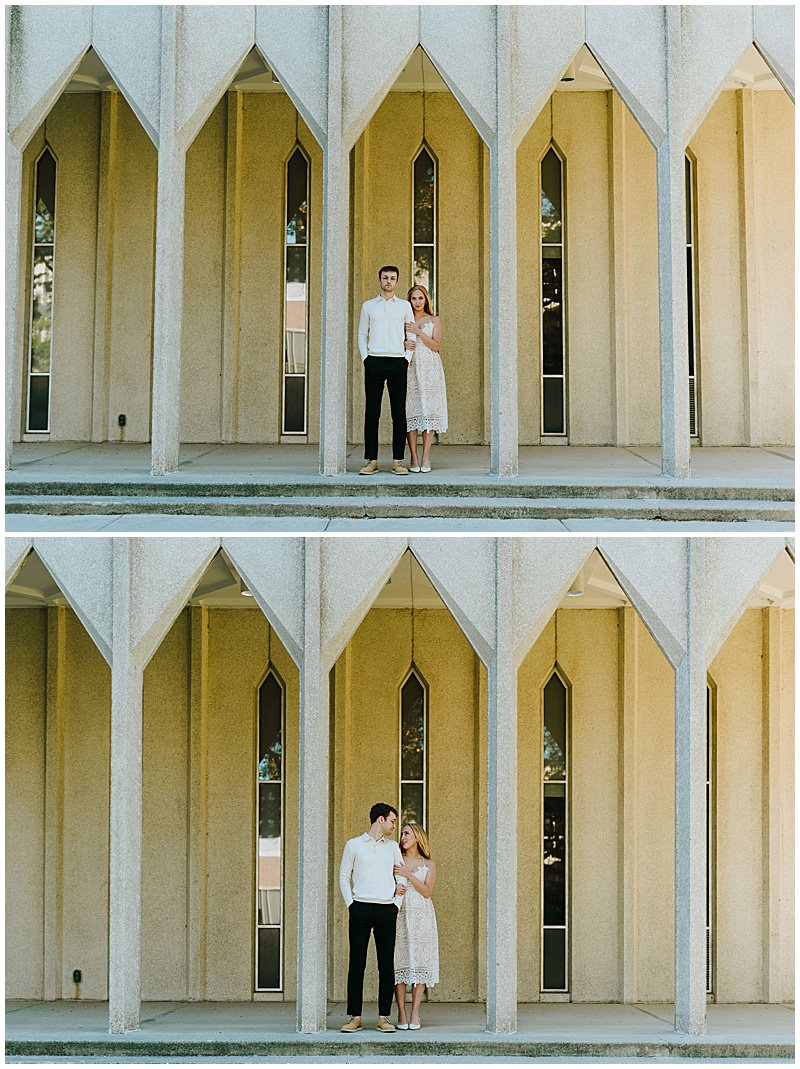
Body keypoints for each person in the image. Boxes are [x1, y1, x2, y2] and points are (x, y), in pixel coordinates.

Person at [338, 802, 406, 1033]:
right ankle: (354, 1017)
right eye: (392, 821)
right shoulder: (353, 845)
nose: (394, 826)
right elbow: (344, 877)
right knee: (357, 964)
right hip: (360, 909)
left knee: (386, 966)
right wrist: (352, 905)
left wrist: (395, 905)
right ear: (380, 819)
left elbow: (402, 878)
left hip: (387, 910)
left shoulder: (393, 847)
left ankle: (383, 1018)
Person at [357, 267, 415, 476]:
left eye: (392, 278)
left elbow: (411, 332)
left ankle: (398, 461)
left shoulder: (404, 306)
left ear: (397, 281)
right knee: (372, 413)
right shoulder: (368, 306)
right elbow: (362, 334)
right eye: (385, 278)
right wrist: (366, 359)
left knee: (399, 413)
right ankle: (371, 460)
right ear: (379, 280)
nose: (388, 281)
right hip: (374, 362)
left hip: (398, 362)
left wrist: (406, 359)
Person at [393, 822, 439, 1030]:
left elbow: (428, 891)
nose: (403, 837)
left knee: (419, 964)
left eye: (407, 833)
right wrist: (394, 889)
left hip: (422, 918)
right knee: (399, 964)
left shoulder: (429, 864)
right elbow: (384, 884)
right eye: (401, 834)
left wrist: (409, 874)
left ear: (418, 837)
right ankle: (401, 1013)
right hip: (400, 915)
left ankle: (415, 1014)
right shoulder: (394, 860)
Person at [404, 286, 447, 473]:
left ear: (426, 299)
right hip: (411, 366)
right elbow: (398, 341)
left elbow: (436, 346)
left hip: (430, 368)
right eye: (414, 298)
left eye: (421, 298)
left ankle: (426, 457)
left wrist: (419, 332)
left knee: (429, 410)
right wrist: (403, 342)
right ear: (410, 300)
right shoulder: (405, 319)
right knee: (411, 410)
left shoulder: (434, 320)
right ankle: (413, 457)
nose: (417, 302)